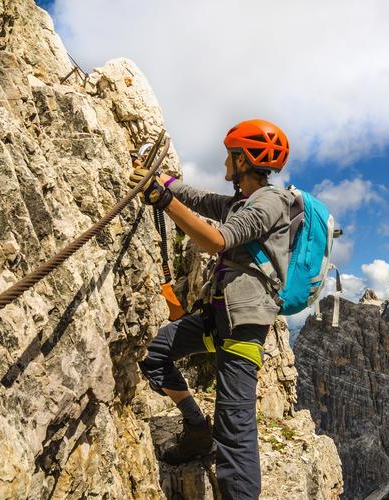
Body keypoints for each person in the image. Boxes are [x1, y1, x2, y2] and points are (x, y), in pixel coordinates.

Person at [127, 119, 293, 499]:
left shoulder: (270, 201)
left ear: (244, 159)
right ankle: (197, 430)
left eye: (229, 155)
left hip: (243, 326)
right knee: (156, 353)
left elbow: (217, 240)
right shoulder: (242, 202)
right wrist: (164, 182)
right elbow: (201, 200)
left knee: (234, 431)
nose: (224, 163)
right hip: (218, 317)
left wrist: (164, 201)